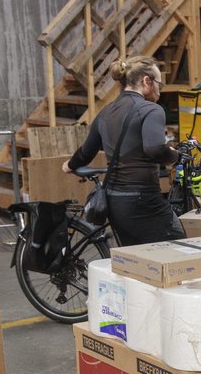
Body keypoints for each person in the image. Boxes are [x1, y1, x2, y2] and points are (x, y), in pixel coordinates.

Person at [64, 55, 183, 245]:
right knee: (176, 248)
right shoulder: (151, 110)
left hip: (114, 201)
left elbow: (86, 152)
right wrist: (176, 156)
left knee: (134, 258)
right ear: (146, 81)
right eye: (159, 83)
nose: (160, 90)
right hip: (143, 200)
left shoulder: (105, 112)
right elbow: (154, 149)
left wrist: (69, 165)